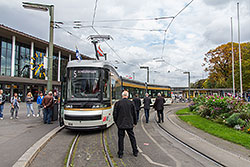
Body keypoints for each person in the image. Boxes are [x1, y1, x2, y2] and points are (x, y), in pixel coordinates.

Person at [113, 91, 138, 158]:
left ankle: (120, 153)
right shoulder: (131, 103)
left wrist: (117, 122)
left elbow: (115, 114)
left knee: (120, 139)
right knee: (132, 138)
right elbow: (134, 114)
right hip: (129, 123)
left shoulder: (118, 103)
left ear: (122, 95)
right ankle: (135, 151)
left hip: (121, 124)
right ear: (128, 95)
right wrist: (135, 122)